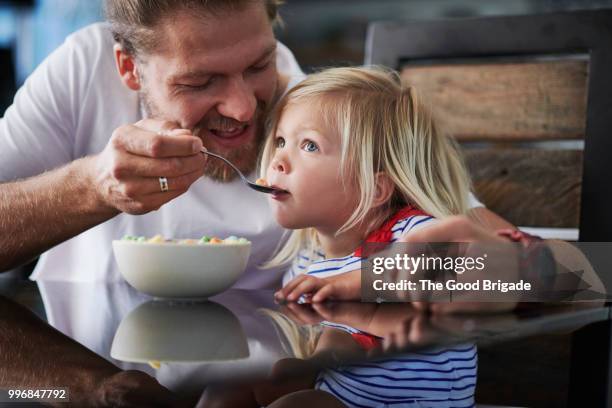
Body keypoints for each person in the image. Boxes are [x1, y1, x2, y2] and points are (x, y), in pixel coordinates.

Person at [0, 0, 507, 289]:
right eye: (199, 83)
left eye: (260, 66)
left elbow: (558, 276)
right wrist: (93, 187)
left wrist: (382, 278)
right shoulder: (81, 71)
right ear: (129, 70)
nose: (243, 108)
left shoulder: (326, 125)